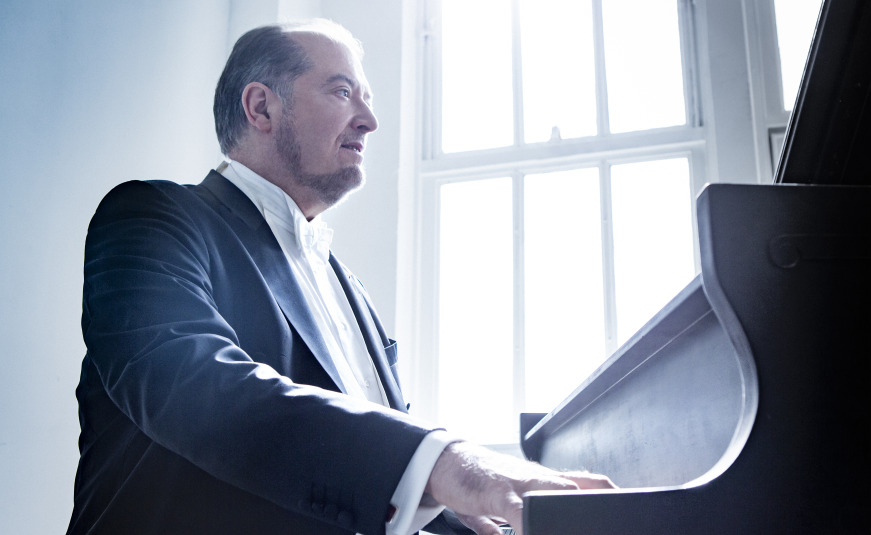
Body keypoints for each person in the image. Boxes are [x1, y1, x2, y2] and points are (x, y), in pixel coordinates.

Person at [67, 19, 613, 535]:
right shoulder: (152, 215)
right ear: (261, 107)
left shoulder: (349, 288)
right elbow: (187, 383)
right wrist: (447, 462)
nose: (370, 121)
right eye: (341, 91)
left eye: (367, 100)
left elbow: (376, 480)